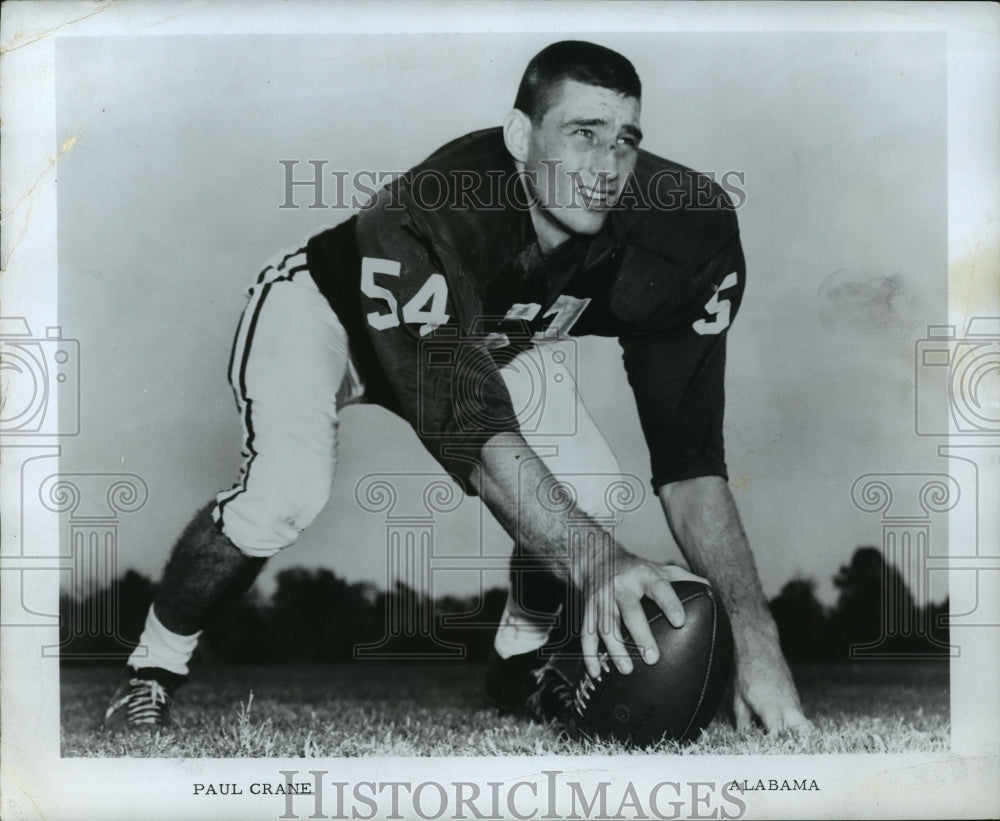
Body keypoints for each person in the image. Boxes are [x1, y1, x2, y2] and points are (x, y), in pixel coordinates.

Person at [104, 40, 809, 737]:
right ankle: (154, 668)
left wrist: (757, 642)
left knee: (591, 491)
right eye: (582, 134)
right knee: (285, 492)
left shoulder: (683, 234)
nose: (607, 166)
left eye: (625, 139)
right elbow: (469, 424)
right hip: (328, 314)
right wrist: (597, 565)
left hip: (487, 337)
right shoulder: (433, 211)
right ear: (518, 135)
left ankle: (519, 659)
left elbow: (690, 464)